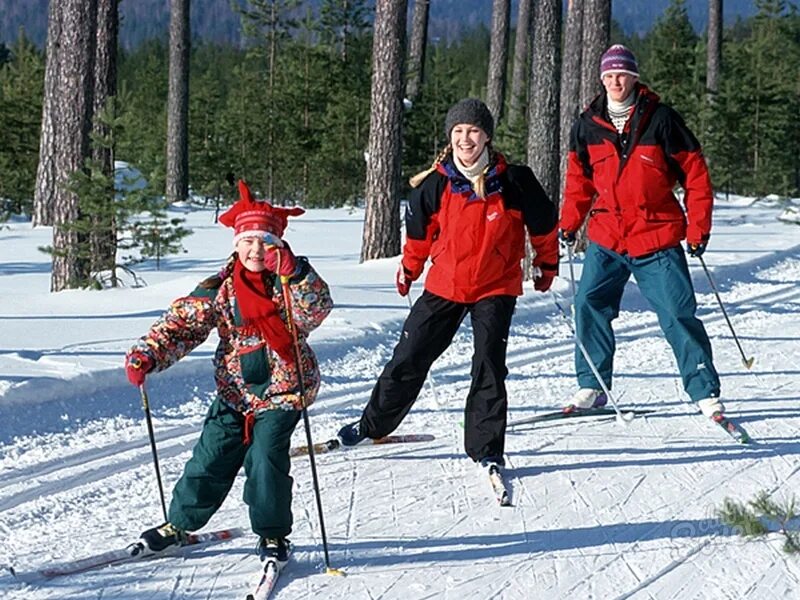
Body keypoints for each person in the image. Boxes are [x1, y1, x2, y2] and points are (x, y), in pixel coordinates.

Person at [337, 98, 559, 471]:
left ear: (486, 135)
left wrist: (546, 264)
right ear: (450, 136)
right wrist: (409, 270)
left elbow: (544, 226)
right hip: (446, 284)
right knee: (409, 356)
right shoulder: (435, 184)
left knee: (488, 364)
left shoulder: (515, 181)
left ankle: (487, 448)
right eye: (458, 131)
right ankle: (372, 425)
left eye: (473, 130)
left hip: (496, 286)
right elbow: (419, 237)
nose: (465, 139)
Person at [124, 180, 333, 566]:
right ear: (236, 244)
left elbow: (314, 312)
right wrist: (148, 355)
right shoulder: (220, 287)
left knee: (265, 460)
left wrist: (298, 272)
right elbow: (183, 324)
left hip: (284, 390)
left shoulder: (288, 282)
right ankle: (179, 525)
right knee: (210, 457)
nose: (257, 250)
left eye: (265, 241)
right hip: (235, 391)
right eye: (249, 241)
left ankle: (272, 535)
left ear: (278, 245)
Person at [559, 44, 724, 419]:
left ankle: (704, 391)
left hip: (656, 236)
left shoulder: (662, 120)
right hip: (607, 236)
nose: (616, 81)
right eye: (609, 75)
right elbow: (578, 183)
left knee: (678, 312)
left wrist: (699, 228)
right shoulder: (586, 124)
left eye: (622, 74)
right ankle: (593, 386)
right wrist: (569, 223)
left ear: (634, 77)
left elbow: (696, 176)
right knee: (588, 304)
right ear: (602, 79)